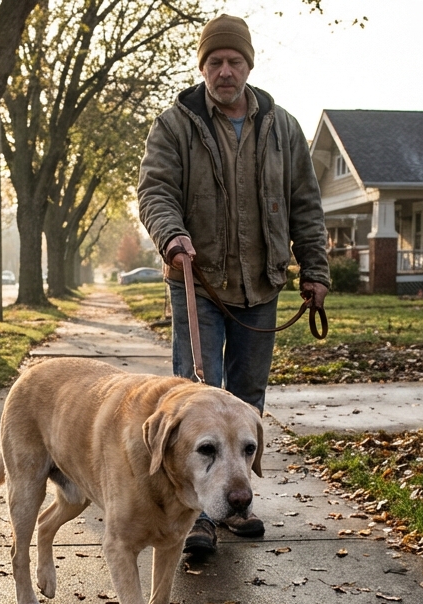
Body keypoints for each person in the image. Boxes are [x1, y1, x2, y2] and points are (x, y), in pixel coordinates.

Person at [136, 13, 330, 556]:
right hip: (198, 279)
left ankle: (236, 503)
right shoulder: (176, 124)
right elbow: (155, 190)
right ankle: (194, 513)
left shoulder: (282, 128)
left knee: (247, 402)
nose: (225, 71)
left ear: (248, 65)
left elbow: (305, 205)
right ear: (203, 67)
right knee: (197, 396)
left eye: (234, 61)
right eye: (215, 62)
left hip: (261, 285)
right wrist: (171, 236)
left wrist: (314, 270)